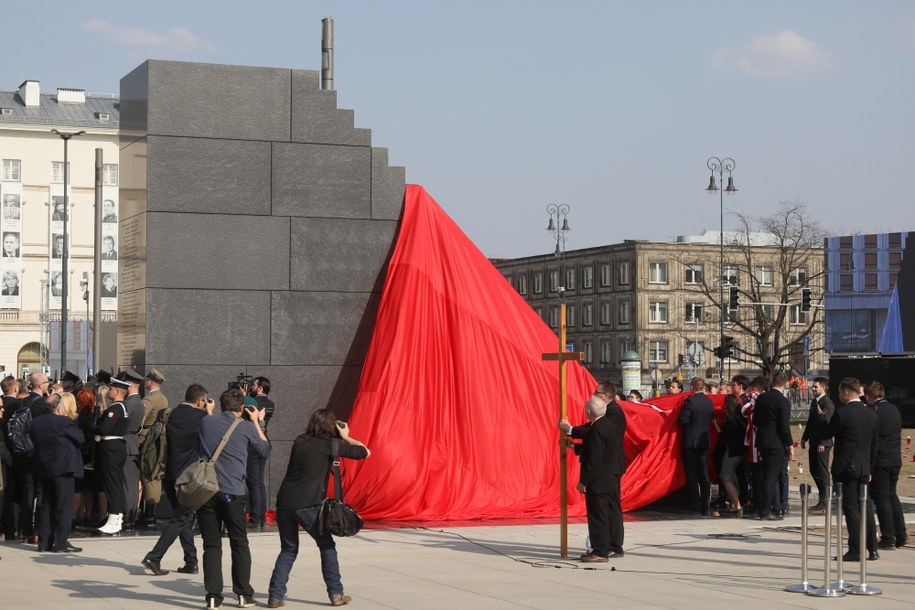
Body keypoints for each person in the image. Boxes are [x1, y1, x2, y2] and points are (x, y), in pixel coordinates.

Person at [267, 409, 370, 608]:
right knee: (327, 546)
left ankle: (275, 596)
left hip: (284, 504)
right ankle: (336, 594)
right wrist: (346, 436)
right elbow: (365, 452)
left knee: (288, 550)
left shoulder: (299, 441)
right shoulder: (330, 445)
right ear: (331, 425)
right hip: (308, 505)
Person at [196, 389, 270, 609]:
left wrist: (209, 413)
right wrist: (257, 421)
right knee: (239, 542)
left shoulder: (206, 422)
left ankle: (212, 596)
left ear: (220, 404)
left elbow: (207, 430)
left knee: (211, 545)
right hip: (233, 492)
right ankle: (243, 594)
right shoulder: (246, 427)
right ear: (242, 408)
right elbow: (264, 449)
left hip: (206, 491)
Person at [142, 384, 215, 576]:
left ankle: (191, 561)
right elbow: (213, 435)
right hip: (188, 477)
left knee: (184, 517)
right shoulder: (201, 418)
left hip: (169, 472)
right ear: (200, 400)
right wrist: (209, 413)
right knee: (181, 518)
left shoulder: (169, 413)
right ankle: (154, 556)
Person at [558, 381, 627, 562]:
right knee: (607, 509)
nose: (594, 394)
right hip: (607, 468)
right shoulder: (604, 420)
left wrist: (571, 430)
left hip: (605, 471)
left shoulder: (612, 414)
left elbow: (595, 447)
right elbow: (595, 443)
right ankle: (608, 546)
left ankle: (606, 547)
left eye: (597, 392)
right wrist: (576, 446)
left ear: (606, 396)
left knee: (604, 511)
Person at [826, 377, 879, 561]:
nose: (840, 396)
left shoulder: (843, 413)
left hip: (846, 466)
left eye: (840, 393)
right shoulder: (872, 414)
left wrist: (821, 417)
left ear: (846, 393)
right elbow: (874, 445)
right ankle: (873, 548)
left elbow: (827, 433)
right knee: (865, 506)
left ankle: (856, 549)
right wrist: (870, 468)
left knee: (851, 509)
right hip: (864, 466)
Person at [28, 392, 84, 552]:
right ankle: (60, 543)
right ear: (59, 407)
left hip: (43, 468)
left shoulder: (35, 423)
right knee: (63, 506)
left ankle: (44, 543)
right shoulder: (63, 422)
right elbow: (80, 438)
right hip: (63, 469)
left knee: (46, 505)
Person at [864, 381, 907, 550]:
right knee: (892, 496)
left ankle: (888, 537)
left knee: (881, 499)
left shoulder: (874, 411)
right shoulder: (894, 409)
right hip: (895, 459)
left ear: (868, 396)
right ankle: (901, 534)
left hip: (880, 460)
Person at [752, 372, 794, 520]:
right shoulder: (783, 402)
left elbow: (755, 420)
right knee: (771, 477)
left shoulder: (762, 398)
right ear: (785, 384)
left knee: (766, 475)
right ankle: (766, 510)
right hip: (776, 442)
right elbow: (784, 426)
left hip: (763, 440)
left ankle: (767, 507)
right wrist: (789, 444)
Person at [94, 377, 132, 536]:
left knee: (112, 484)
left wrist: (92, 425)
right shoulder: (120, 407)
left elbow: (103, 429)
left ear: (117, 392)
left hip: (111, 448)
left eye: (111, 389)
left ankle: (115, 518)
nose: (108, 391)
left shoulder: (115, 409)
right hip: (114, 448)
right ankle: (116, 518)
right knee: (113, 483)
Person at [678, 377, 716, 516]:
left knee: (692, 474)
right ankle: (706, 505)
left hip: (690, 442)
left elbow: (682, 419)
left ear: (693, 387)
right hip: (704, 441)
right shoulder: (709, 402)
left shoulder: (690, 401)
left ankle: (695, 505)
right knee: (703, 473)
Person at [138, 368, 168, 529]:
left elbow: (139, 415)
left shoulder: (151, 399)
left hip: (146, 438)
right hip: (155, 438)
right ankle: (150, 513)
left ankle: (149, 514)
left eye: (147, 380)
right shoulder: (162, 398)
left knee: (148, 476)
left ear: (151, 382)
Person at [802, 377, 835, 513]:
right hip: (814, 442)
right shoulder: (815, 402)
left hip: (823, 443)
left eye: (816, 386)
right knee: (814, 470)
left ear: (823, 388)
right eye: (813, 386)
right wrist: (804, 438)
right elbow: (811, 422)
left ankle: (825, 501)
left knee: (822, 471)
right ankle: (824, 498)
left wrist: (822, 441)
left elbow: (827, 424)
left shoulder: (827, 403)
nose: (813, 388)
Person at [246, 376, 274, 531]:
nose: (251, 387)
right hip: (265, 442)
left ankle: (256, 517)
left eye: (254, 385)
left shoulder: (253, 403)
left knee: (253, 482)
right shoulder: (270, 403)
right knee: (259, 482)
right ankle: (261, 517)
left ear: (260, 388)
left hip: (254, 444)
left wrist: (244, 397)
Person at [119, 369, 146, 531]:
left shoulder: (130, 403)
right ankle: (129, 515)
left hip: (127, 443)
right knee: (130, 484)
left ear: (129, 384)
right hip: (132, 443)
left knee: (128, 484)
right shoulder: (138, 402)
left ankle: (128, 516)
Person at [715, 394, 747, 516]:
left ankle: (737, 506)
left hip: (733, 451)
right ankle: (735, 504)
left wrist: (715, 424)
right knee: (733, 477)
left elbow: (723, 436)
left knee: (725, 477)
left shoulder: (732, 420)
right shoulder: (741, 418)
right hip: (742, 451)